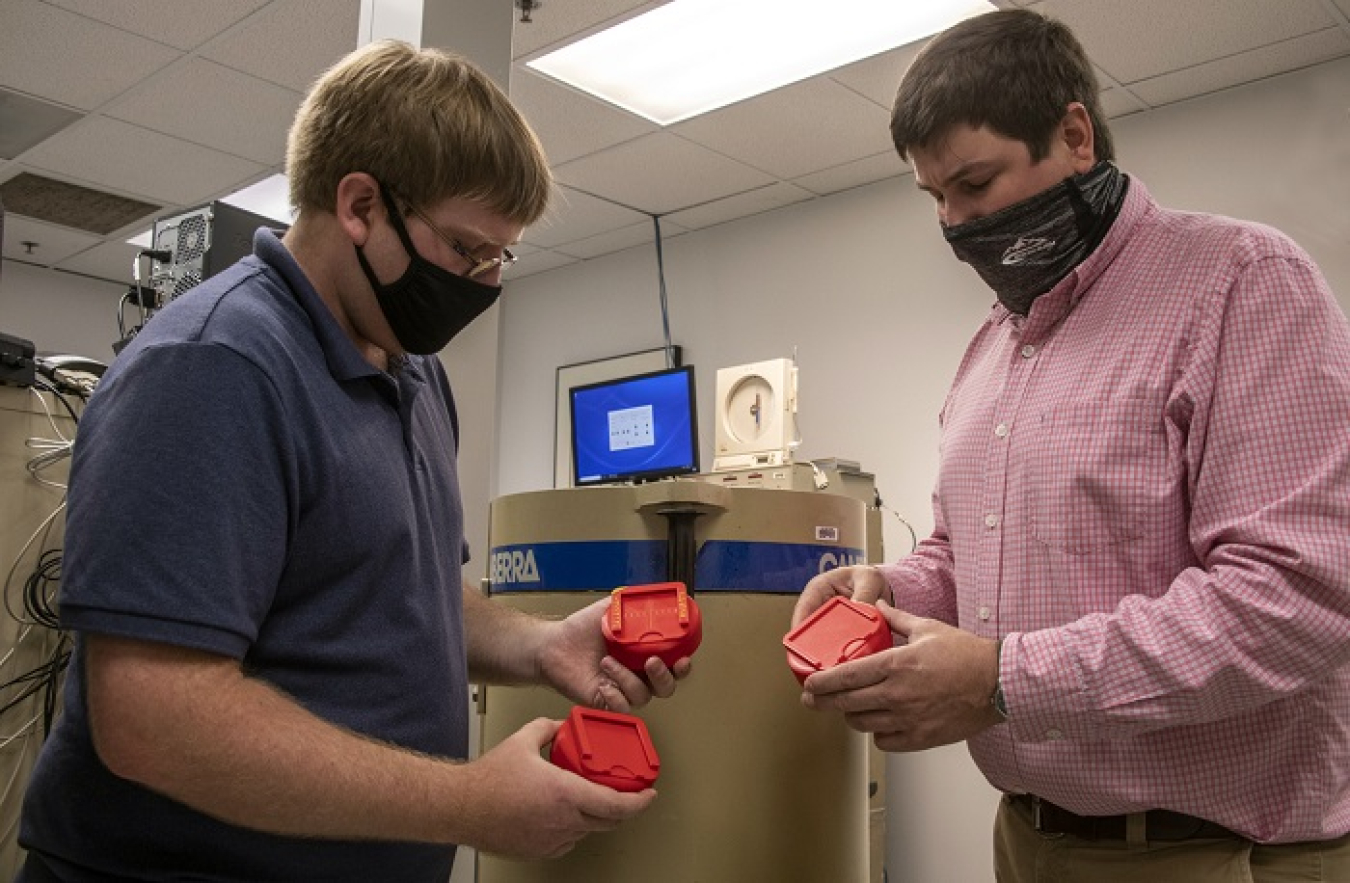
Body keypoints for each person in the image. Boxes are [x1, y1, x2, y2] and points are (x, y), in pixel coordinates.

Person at [17, 40, 689, 882]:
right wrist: (471, 802)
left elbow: (401, 584)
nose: (485, 283)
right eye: (466, 250)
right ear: (361, 205)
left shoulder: (411, 369)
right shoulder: (215, 366)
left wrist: (541, 643)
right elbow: (154, 716)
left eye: (501, 259)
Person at [793, 8, 1350, 881]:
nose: (954, 223)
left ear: (1075, 134)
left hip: (1214, 850)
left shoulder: (1241, 282)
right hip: (1028, 838)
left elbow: (1298, 599)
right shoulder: (992, 345)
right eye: (935, 197)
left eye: (974, 183)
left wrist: (1001, 681)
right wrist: (889, 588)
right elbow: (964, 553)